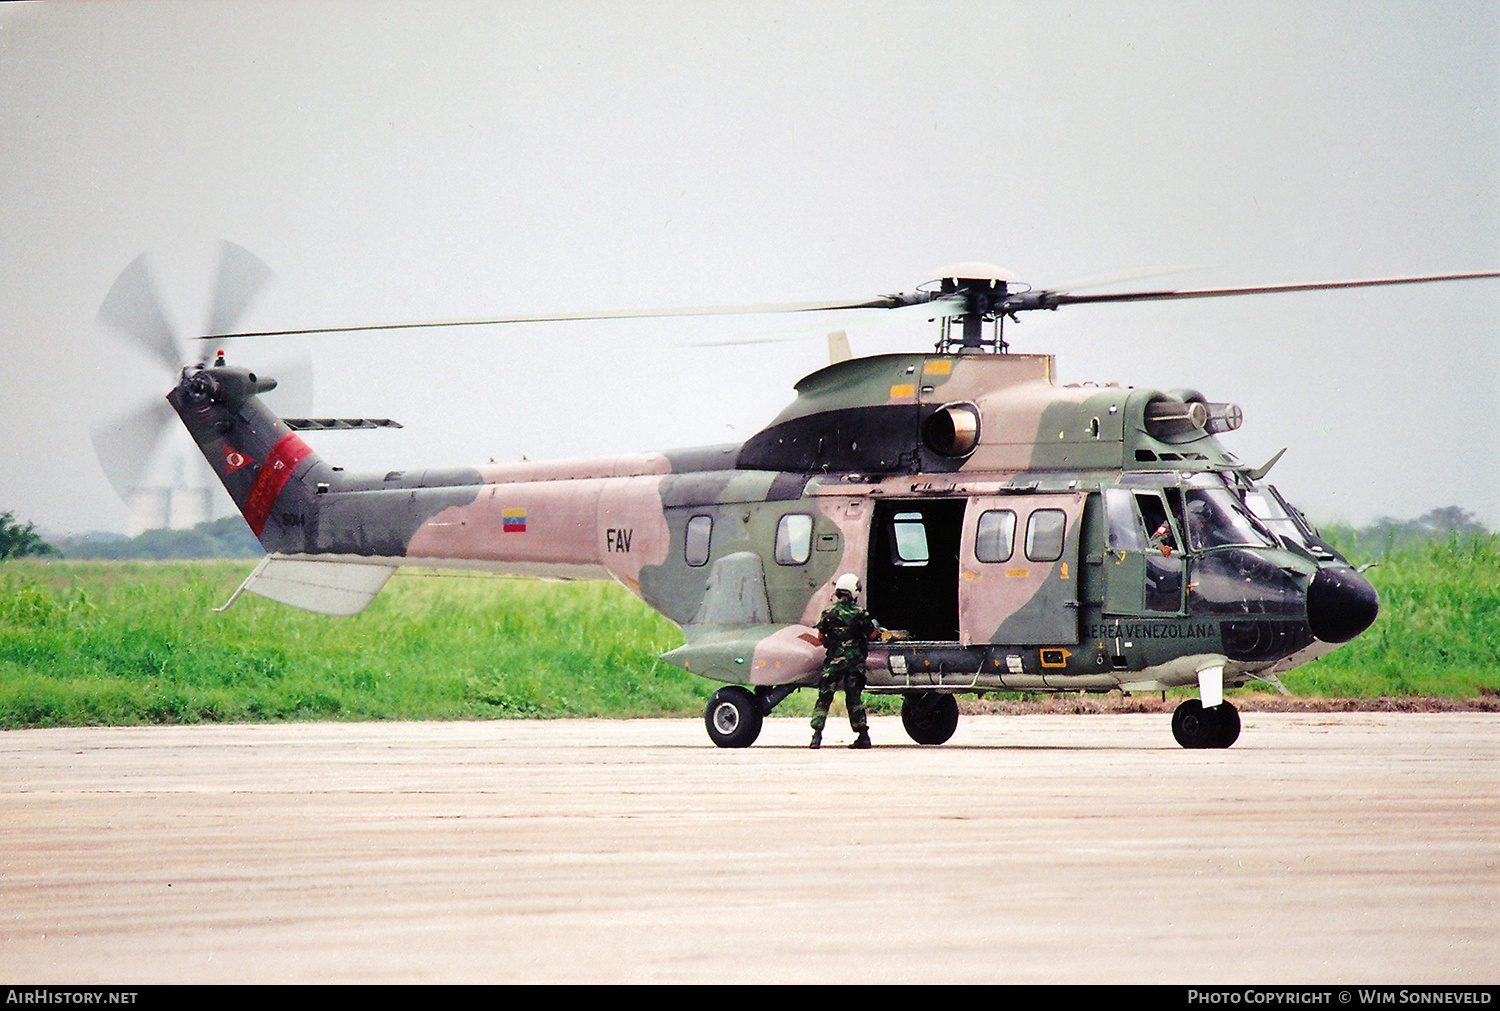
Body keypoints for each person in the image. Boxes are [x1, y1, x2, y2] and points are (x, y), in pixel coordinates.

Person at [811, 572, 879, 749]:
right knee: (854, 698)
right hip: (855, 663)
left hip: (834, 662)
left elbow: (820, 637)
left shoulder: (828, 611)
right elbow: (872, 635)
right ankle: (863, 737)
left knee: (824, 697)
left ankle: (816, 737)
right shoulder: (860, 613)